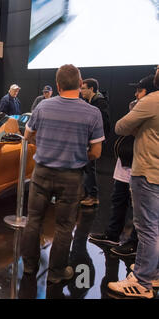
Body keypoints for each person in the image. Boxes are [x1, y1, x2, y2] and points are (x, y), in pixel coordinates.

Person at [21, 64, 104, 284]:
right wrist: (76, 155)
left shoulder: (42, 107)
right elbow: (96, 151)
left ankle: (29, 267)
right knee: (65, 226)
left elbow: (28, 135)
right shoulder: (92, 113)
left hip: (41, 173)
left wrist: (44, 146)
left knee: (33, 220)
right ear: (79, 83)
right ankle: (56, 273)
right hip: (72, 177)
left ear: (57, 85)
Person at [89, 74, 157, 257]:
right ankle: (112, 234)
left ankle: (134, 244)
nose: (136, 94)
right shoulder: (137, 106)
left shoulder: (149, 105)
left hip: (143, 165)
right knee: (118, 199)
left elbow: (121, 126)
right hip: (126, 162)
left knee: (141, 211)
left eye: (139, 90)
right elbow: (123, 127)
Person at [108, 66, 159, 299]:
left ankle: (142, 282)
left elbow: (120, 126)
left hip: (148, 172)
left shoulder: (151, 101)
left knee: (147, 229)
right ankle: (151, 272)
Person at [80, 78, 111, 206]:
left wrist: (94, 140)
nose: (81, 91)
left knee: (89, 168)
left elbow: (103, 125)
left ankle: (92, 196)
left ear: (91, 89)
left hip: (92, 142)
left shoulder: (100, 104)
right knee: (87, 167)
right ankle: (88, 193)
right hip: (90, 140)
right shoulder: (92, 102)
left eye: (83, 88)